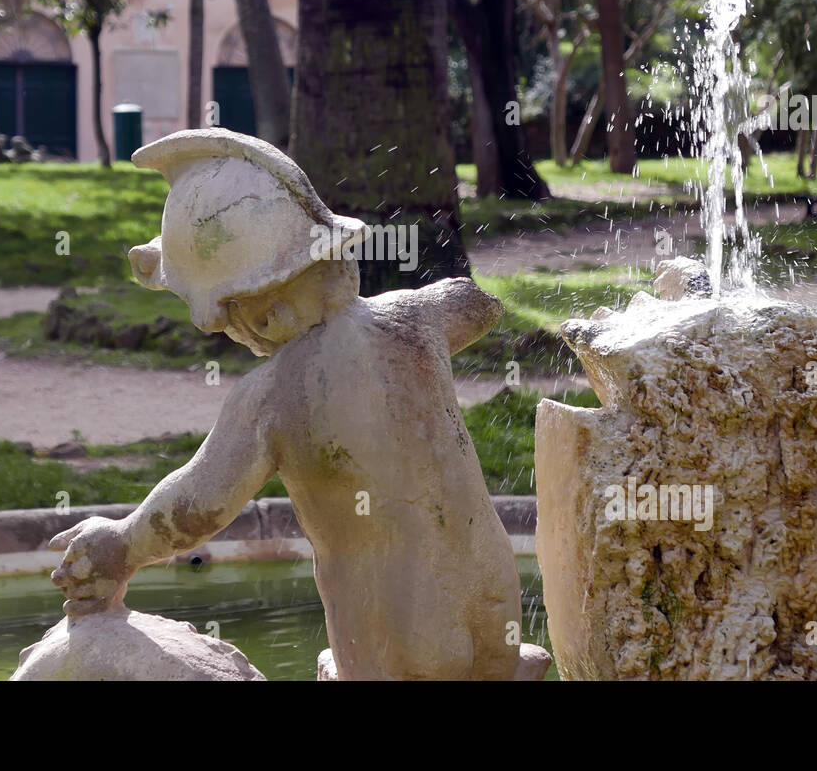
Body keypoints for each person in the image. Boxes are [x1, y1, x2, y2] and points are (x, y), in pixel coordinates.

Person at [48, 128, 548, 680]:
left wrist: (121, 544)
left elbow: (196, 505)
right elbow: (471, 302)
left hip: (401, 642)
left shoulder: (273, 395)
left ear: (253, 316)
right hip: (493, 607)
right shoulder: (414, 320)